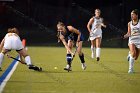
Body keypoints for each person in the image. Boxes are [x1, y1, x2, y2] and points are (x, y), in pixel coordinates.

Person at [124, 9, 140, 73]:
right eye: (131, 15)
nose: (132, 16)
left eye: (133, 14)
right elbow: (129, 33)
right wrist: (126, 35)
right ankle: (130, 70)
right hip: (132, 40)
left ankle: (129, 54)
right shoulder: (129, 23)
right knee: (133, 54)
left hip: (139, 41)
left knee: (135, 57)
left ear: (137, 15)